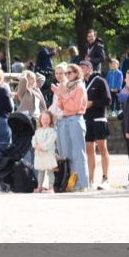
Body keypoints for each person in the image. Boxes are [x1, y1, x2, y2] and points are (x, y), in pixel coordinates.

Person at [52, 63, 89, 191]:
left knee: (79, 153)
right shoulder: (68, 87)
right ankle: (71, 183)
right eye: (65, 73)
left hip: (75, 119)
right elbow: (62, 106)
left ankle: (83, 184)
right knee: (67, 154)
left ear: (76, 73)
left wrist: (63, 95)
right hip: (65, 120)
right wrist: (60, 95)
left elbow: (74, 107)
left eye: (69, 73)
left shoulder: (80, 87)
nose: (66, 75)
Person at [80, 60, 111, 189]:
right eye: (80, 67)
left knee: (103, 149)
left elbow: (108, 100)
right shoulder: (81, 83)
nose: (82, 69)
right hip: (86, 120)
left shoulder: (100, 81)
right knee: (89, 150)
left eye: (84, 67)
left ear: (90, 68)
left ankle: (105, 179)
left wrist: (92, 103)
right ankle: (91, 180)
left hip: (99, 119)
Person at [32, 110, 58, 193]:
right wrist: (36, 145)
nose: (45, 120)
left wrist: (42, 147)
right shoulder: (37, 131)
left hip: (48, 154)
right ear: (40, 120)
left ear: (50, 120)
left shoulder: (52, 131)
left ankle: (51, 187)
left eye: (47, 119)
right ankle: (39, 187)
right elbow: (34, 139)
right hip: (39, 154)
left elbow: (50, 141)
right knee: (41, 171)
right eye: (43, 118)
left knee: (50, 171)